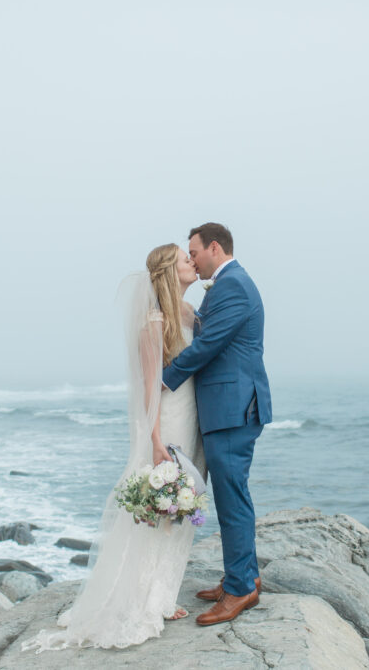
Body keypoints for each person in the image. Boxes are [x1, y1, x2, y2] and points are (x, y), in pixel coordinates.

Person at [23, 243, 206, 651]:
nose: (192, 263)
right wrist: (156, 440)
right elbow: (149, 387)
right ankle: (145, 600)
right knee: (161, 506)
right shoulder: (153, 322)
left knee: (181, 505)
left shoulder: (191, 314)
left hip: (193, 418)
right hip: (169, 422)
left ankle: (163, 594)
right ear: (167, 273)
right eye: (184, 260)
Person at [162, 222, 272, 626]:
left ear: (214, 247)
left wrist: (164, 379)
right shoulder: (227, 285)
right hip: (226, 407)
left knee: (231, 498)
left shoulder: (233, 285)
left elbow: (209, 345)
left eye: (194, 252)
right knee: (232, 496)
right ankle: (240, 577)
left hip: (233, 408)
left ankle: (241, 590)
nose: (191, 259)